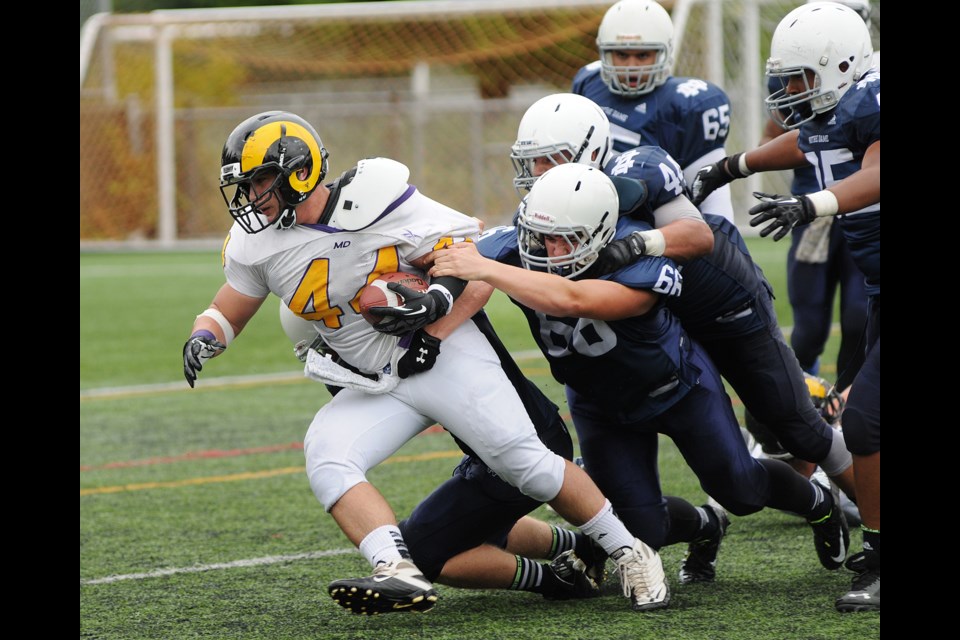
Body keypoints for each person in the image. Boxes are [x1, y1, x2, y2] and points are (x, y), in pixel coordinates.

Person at [181, 110, 670, 615]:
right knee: (327, 453)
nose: (250, 197)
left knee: (525, 462)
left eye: (259, 181)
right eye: (246, 185)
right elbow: (231, 303)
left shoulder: (372, 196)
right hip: (375, 379)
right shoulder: (253, 242)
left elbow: (465, 249)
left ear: (298, 173)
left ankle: (631, 551)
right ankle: (396, 569)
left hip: (440, 354)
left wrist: (435, 306)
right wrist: (206, 332)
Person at [428, 163, 851, 593]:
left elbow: (572, 298)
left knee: (739, 490)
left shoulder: (642, 259)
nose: (551, 251)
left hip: (678, 390)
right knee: (642, 525)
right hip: (600, 406)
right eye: (542, 237)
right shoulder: (520, 243)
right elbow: (446, 257)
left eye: (565, 239)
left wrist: (485, 267)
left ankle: (817, 502)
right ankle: (705, 526)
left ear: (600, 233)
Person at [511, 93, 858, 569]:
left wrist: (636, 243)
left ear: (589, 151)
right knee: (675, 499)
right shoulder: (544, 211)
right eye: (530, 162)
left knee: (794, 427)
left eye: (548, 159)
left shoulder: (638, 170)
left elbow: (697, 237)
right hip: (659, 329)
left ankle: (852, 516)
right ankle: (701, 518)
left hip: (723, 309)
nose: (537, 174)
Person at [689, 2, 879, 612]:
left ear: (842, 64)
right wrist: (731, 166)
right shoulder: (841, 107)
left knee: (868, 422)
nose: (789, 91)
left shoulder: (873, 97)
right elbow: (808, 141)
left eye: (800, 79)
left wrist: (813, 205)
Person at [279, 301, 608, 602]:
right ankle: (582, 544)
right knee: (471, 525)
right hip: (509, 447)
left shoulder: (419, 346)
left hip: (516, 450)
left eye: (334, 343)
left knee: (420, 551)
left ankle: (558, 579)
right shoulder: (418, 327)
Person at [756, 0, 871, 386]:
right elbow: (780, 134)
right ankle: (803, 404)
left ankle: (846, 399)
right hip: (808, 208)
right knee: (807, 326)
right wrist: (737, 166)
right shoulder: (795, 68)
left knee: (859, 316)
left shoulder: (870, 87)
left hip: (863, 208)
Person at [572, 0, 735, 222]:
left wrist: (723, 242)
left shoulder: (689, 103)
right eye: (621, 55)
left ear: (664, 52)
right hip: (590, 211)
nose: (631, 66)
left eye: (642, 56)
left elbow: (710, 190)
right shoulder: (589, 81)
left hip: (655, 219)